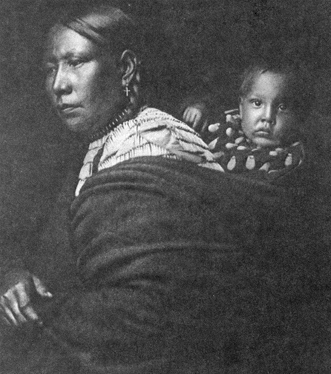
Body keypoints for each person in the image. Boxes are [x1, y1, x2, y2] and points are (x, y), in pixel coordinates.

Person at [0, 2, 327, 373]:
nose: (59, 83)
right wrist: (14, 276)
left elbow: (154, 309)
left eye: (76, 62)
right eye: (50, 68)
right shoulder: (97, 147)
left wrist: (44, 311)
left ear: (124, 69)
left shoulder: (154, 141)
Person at [207, 60, 315, 186]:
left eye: (282, 107)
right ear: (241, 107)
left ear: (297, 116)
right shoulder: (224, 130)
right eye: (257, 103)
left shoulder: (294, 160)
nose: (268, 117)